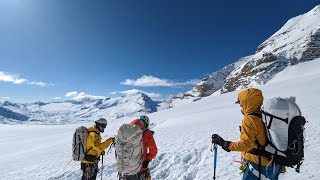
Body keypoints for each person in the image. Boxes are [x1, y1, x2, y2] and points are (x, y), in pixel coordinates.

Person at [212, 88, 281, 180]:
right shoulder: (265, 115)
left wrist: (225, 144)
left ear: (246, 102)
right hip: (274, 163)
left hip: (258, 165)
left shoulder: (250, 119)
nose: (240, 106)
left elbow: (246, 145)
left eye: (241, 103)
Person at [126, 115, 158, 180]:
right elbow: (154, 151)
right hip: (141, 168)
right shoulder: (146, 132)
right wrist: (147, 160)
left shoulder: (127, 132)